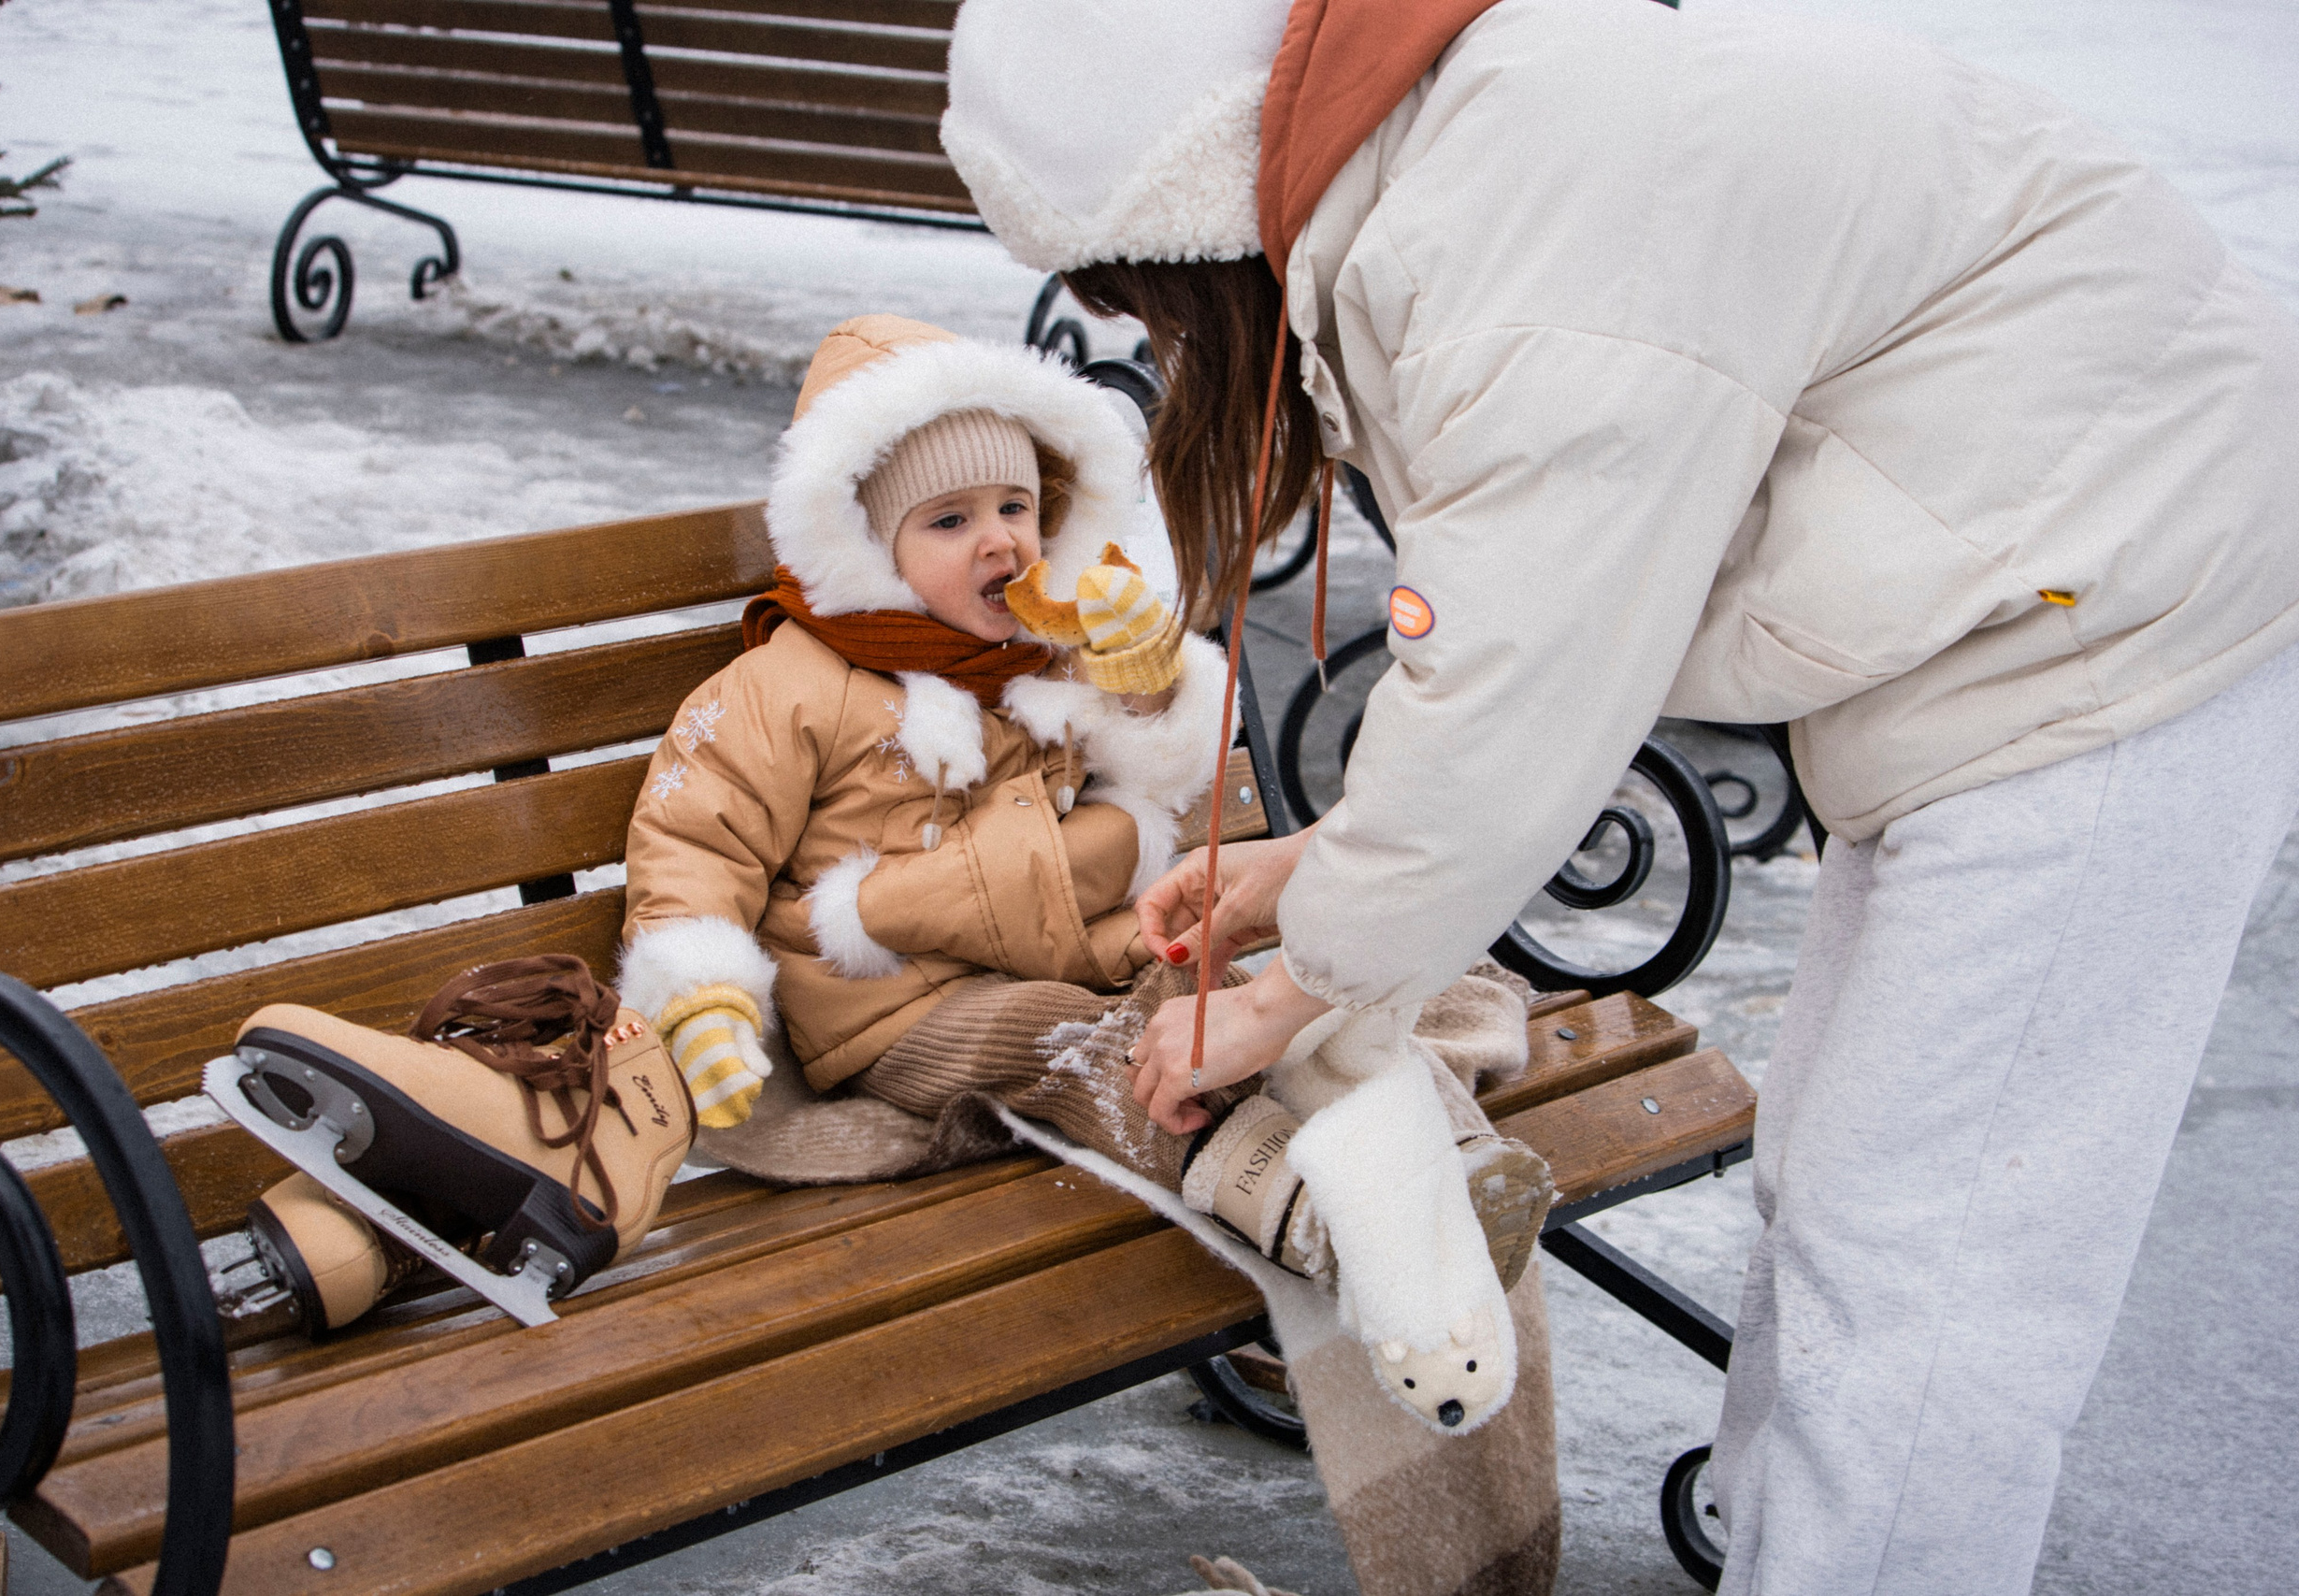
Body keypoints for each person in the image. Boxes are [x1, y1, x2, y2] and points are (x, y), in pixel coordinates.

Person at [938, 0, 2299, 1591]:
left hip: (2118, 613)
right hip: (2033, 596)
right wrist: (1312, 869)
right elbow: (1567, 626)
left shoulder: (1514, 229)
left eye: (1147, 304)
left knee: (1935, 1267)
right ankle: (1791, 1537)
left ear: (1185, 209)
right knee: (1854, 1190)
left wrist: (1293, 989)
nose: (1170, 344)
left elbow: (1524, 673)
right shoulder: (1487, 142)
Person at [214, 316, 1549, 1361]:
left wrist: (1146, 678)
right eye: (951, 521)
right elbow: (696, 848)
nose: (1000, 543)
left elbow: (1170, 791)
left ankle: (1425, 1158)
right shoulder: (789, 685)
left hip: (1080, 951)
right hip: (895, 1018)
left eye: (1017, 509)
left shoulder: (1045, 652)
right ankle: (1302, 1205)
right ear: (868, 539)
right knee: (1076, 1048)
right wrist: (704, 1007)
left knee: (1229, 1000)